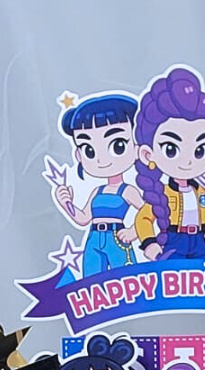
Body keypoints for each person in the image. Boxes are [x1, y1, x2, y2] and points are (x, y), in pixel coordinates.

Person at [133, 67, 205, 263]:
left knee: (203, 278)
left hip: (200, 240)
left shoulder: (203, 192)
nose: (187, 161)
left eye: (200, 150)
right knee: (171, 277)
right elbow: (143, 218)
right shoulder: (161, 194)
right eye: (171, 149)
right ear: (148, 154)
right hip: (174, 240)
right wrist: (150, 243)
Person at [55, 93, 143, 276]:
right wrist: (66, 203)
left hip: (117, 238)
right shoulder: (97, 191)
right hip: (93, 238)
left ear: (136, 148)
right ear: (79, 155)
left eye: (118, 145)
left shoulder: (127, 191)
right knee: (91, 280)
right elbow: (83, 218)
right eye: (89, 150)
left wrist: (134, 231)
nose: (102, 160)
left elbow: (149, 212)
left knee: (127, 280)